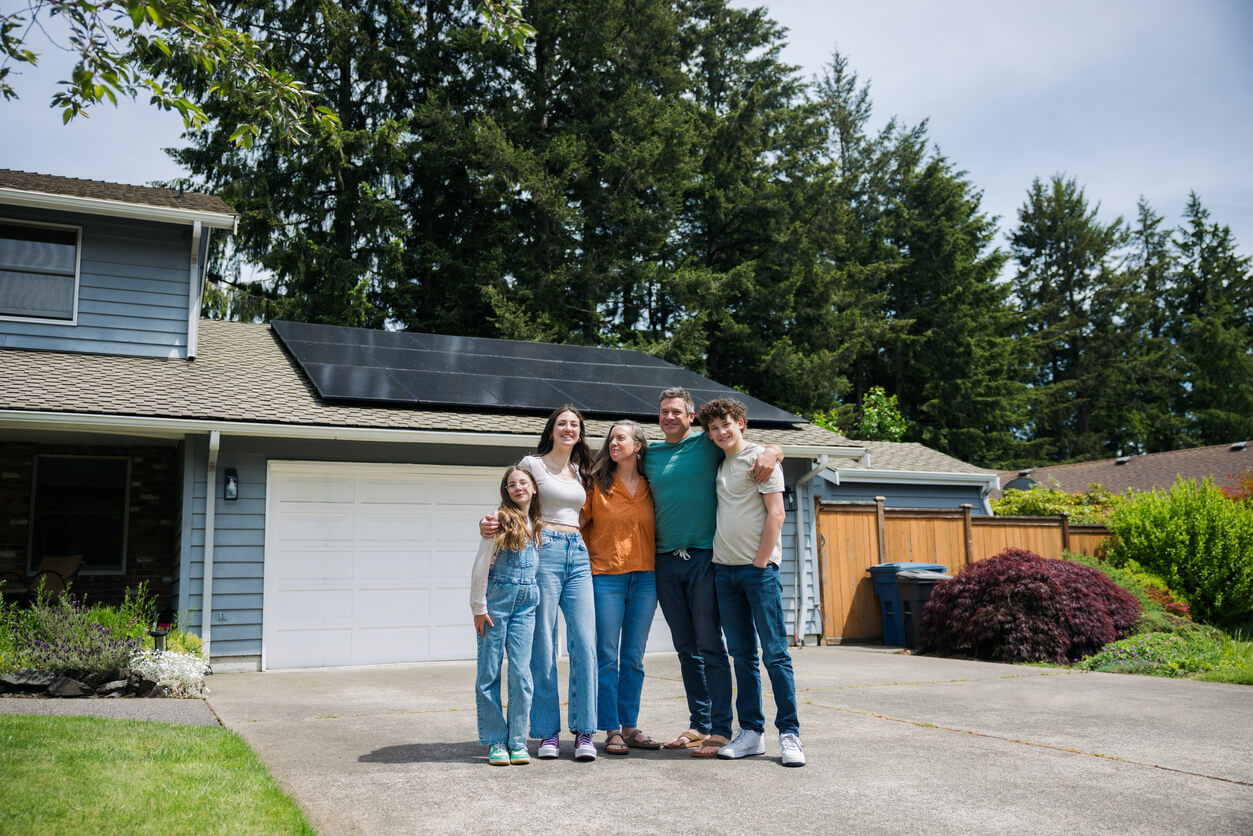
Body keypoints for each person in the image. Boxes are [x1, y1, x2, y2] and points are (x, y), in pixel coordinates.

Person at [645, 387, 782, 759]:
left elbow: (746, 443)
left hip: (706, 557)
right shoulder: (649, 455)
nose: (669, 417)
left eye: (677, 411)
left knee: (711, 644)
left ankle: (721, 729)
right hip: (665, 560)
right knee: (685, 646)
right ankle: (699, 724)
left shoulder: (705, 444)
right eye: (663, 412)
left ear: (691, 418)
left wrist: (773, 451)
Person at [482, 405, 599, 761]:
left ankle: (583, 733)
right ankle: (547, 733)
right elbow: (513, 499)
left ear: (580, 432)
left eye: (574, 424)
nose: (568, 428)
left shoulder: (582, 470)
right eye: (562, 423)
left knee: (585, 643)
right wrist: (491, 526)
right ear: (551, 430)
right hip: (543, 548)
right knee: (543, 643)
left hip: (578, 551)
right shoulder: (532, 464)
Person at [696, 397, 804, 767]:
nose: (721, 431)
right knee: (741, 656)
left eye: (726, 424)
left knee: (775, 654)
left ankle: (789, 734)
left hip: (758, 572)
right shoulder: (720, 463)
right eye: (713, 428)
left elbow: (776, 514)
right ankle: (752, 733)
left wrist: (760, 562)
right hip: (724, 571)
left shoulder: (761, 459)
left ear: (741, 422)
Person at [581, 420, 663, 756]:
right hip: (606, 577)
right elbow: (575, 526)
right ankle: (611, 729)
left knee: (633, 658)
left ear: (638, 446)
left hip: (646, 579)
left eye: (621, 438)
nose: (614, 442)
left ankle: (630, 726)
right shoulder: (596, 486)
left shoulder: (651, 484)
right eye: (611, 438)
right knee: (606, 658)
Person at [469, 464, 543, 766]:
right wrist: (478, 606)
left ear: (534, 488)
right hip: (496, 605)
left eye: (523, 483)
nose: (518, 488)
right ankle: (495, 741)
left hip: (527, 605)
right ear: (507, 492)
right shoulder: (498, 519)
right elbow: (481, 563)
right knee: (489, 673)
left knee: (522, 674)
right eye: (512, 485)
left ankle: (517, 742)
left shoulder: (536, 522)